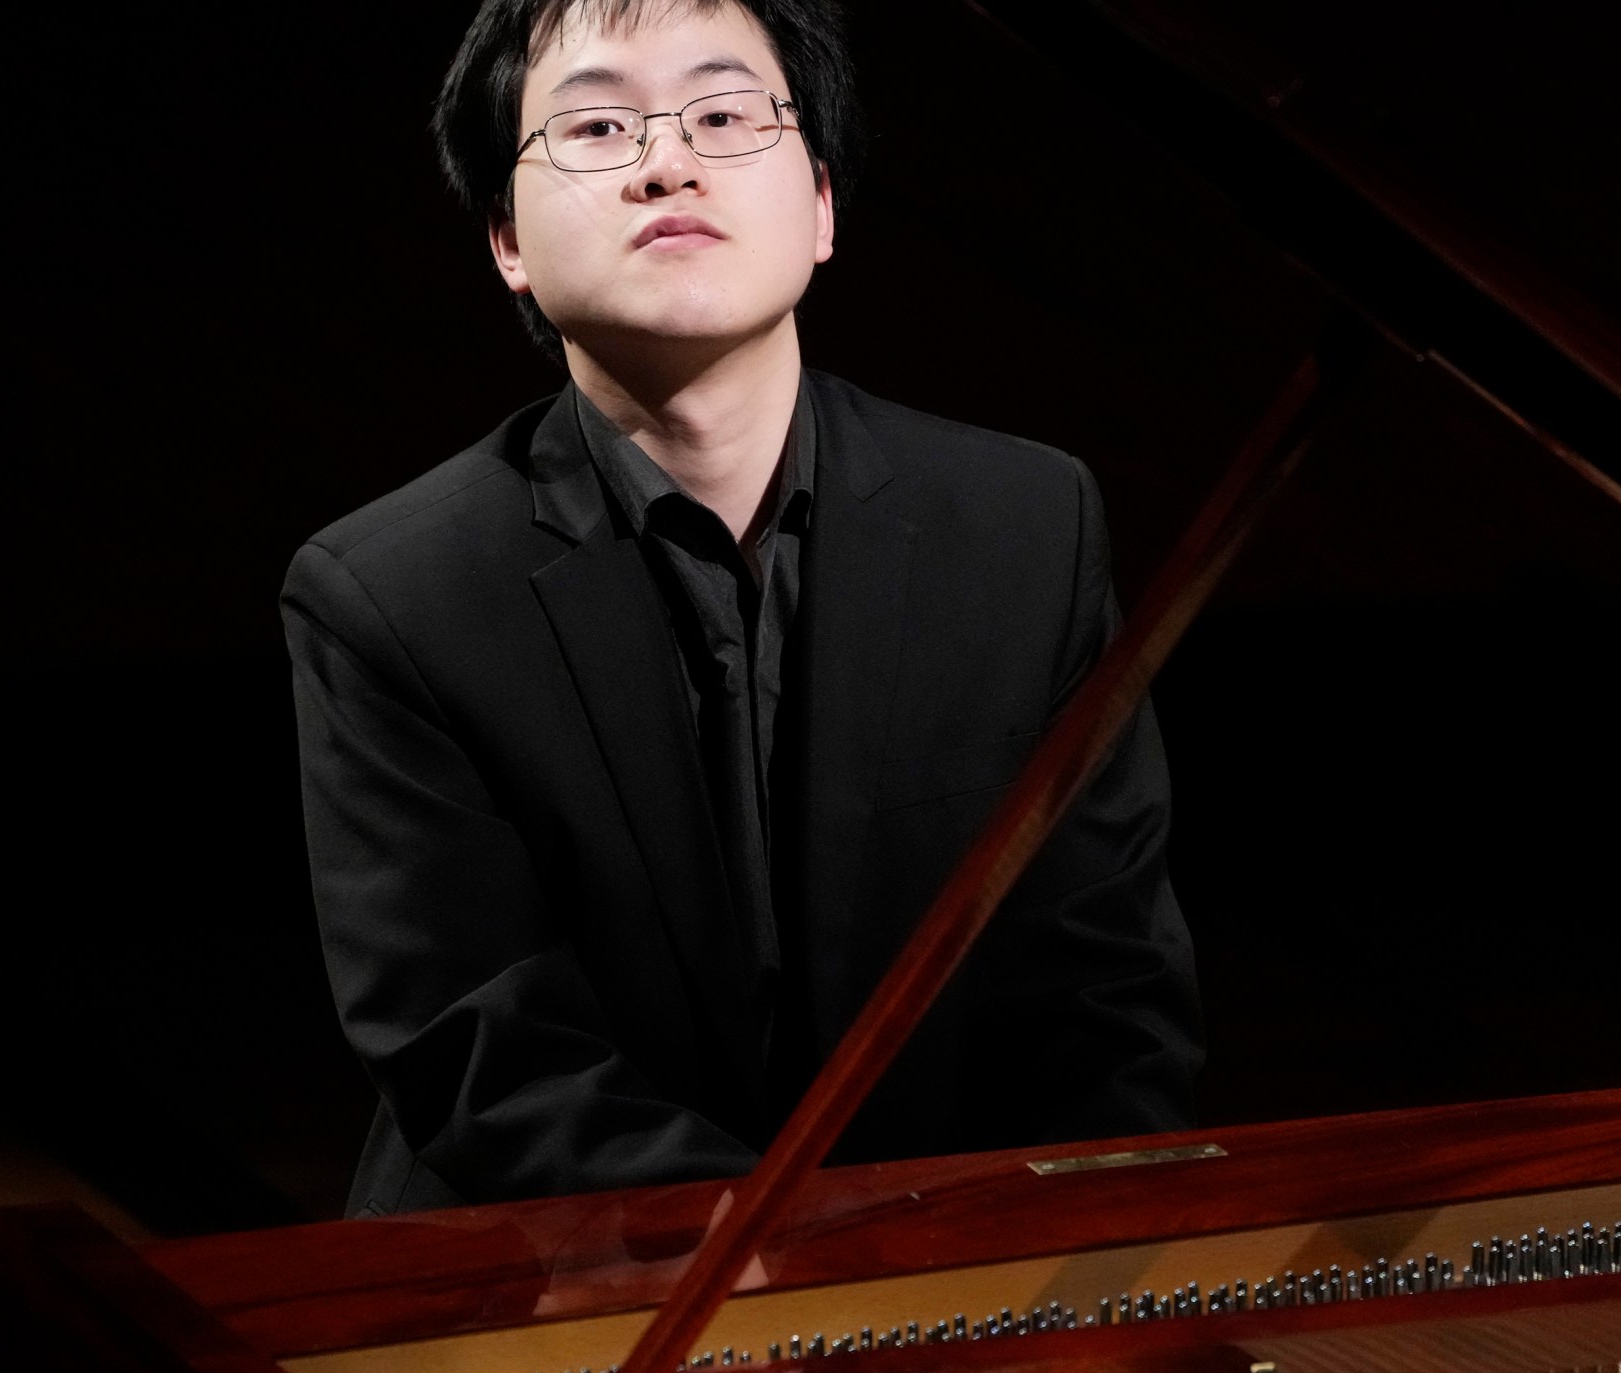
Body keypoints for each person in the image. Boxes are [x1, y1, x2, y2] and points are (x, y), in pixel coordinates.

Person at [282, 0, 1202, 1217]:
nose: (669, 160)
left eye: (722, 114)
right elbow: (483, 1055)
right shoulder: (390, 593)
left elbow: (1105, 988)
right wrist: (799, 1264)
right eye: (598, 127)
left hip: (957, 1272)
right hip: (550, 1288)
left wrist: (1063, 1258)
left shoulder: (1025, 524)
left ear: (821, 203)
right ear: (506, 238)